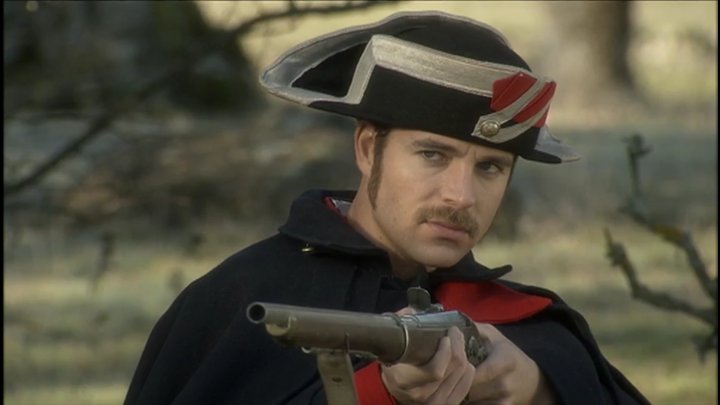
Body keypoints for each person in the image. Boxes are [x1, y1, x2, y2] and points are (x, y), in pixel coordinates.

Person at [125, 11, 650, 405]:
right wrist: (383, 392)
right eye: (433, 155)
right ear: (367, 148)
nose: (461, 195)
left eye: (490, 167)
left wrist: (538, 385)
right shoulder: (237, 297)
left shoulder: (536, 329)